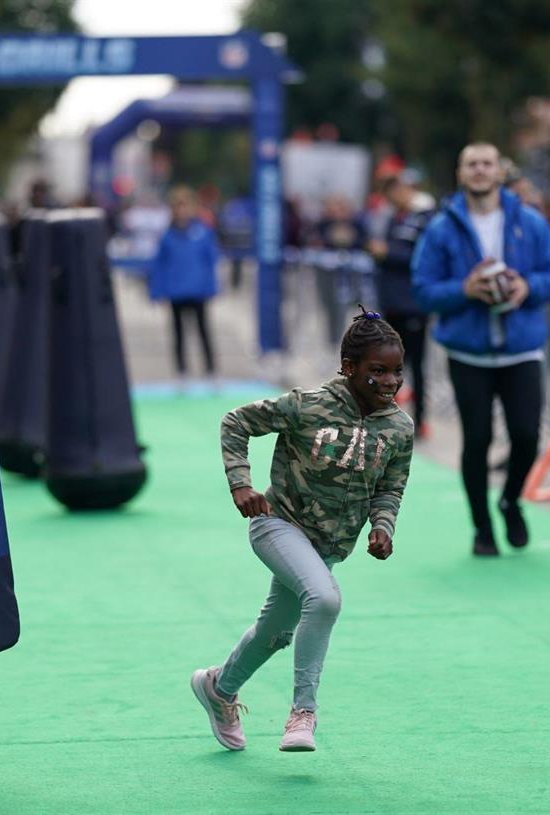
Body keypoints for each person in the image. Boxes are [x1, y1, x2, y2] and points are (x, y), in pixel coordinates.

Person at [191, 309, 414, 752]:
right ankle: (302, 713)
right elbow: (235, 423)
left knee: (274, 633)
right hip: (278, 524)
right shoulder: (307, 405)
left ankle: (219, 688)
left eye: (396, 372)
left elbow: (391, 487)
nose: (390, 382)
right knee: (325, 598)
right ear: (349, 368)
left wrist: (382, 526)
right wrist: (241, 485)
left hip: (329, 545)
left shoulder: (399, 428)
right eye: (378, 371)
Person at [411, 143, 550, 557]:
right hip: (469, 353)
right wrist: (464, 289)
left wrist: (527, 288)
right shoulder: (442, 228)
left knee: (525, 436)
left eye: (487, 163)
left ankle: (511, 501)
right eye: (471, 164)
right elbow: (423, 289)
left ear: (500, 171)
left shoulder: (529, 222)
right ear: (461, 173)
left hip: (521, 349)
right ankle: (482, 528)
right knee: (476, 440)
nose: (480, 170)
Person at [367, 171, 434, 436]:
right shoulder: (392, 218)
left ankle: (421, 421)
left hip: (414, 305)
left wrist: (387, 252)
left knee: (417, 365)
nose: (393, 195)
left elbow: (421, 257)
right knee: (390, 365)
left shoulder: (424, 219)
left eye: (397, 189)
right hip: (391, 304)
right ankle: (388, 416)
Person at [149, 185, 220, 382]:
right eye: (177, 206)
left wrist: (211, 287)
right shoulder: (167, 236)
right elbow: (160, 265)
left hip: (197, 290)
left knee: (203, 331)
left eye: (184, 205)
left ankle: (211, 371)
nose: (181, 210)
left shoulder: (203, 233)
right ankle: (181, 372)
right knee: (178, 333)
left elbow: (211, 260)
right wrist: (156, 290)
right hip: (176, 291)